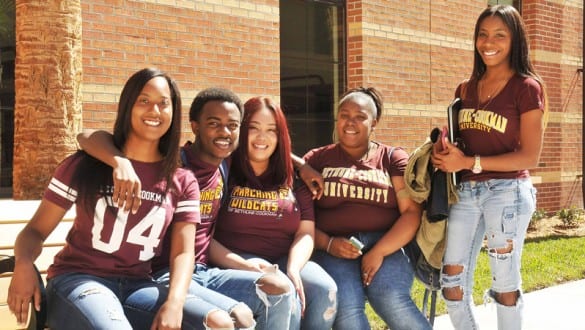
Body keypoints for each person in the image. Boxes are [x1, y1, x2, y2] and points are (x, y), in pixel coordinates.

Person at [76, 87, 323, 329]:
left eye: (232, 126)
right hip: (165, 273)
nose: (224, 133)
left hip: (207, 270)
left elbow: (267, 146)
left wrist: (302, 165)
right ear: (195, 126)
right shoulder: (172, 163)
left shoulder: (223, 164)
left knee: (280, 290)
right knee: (237, 317)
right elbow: (86, 136)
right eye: (214, 124)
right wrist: (120, 163)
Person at [7, 68, 205, 329]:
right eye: (143, 101)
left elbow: (183, 252)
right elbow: (35, 230)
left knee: (214, 322)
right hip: (77, 281)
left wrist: (175, 303)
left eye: (163, 103)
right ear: (127, 106)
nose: (154, 111)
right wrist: (23, 262)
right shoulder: (86, 165)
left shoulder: (182, 180)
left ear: (173, 111)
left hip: (138, 286)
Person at [431, 5, 546, 330]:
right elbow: (462, 144)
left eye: (499, 35)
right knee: (451, 284)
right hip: (465, 193)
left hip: (507, 193)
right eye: (482, 34)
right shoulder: (465, 89)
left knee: (504, 285)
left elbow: (529, 157)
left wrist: (469, 162)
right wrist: (446, 150)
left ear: (515, 40)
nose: (488, 42)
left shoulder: (526, 88)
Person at [303, 87, 432, 330]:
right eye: (344, 115)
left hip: (386, 244)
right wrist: (328, 243)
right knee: (347, 307)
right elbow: (300, 219)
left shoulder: (392, 158)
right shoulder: (316, 159)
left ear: (374, 122)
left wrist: (379, 252)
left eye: (360, 116)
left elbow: (411, 213)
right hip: (332, 248)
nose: (350, 122)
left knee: (391, 297)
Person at [212, 96, 338, 330]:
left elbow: (306, 232)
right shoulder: (223, 170)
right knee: (282, 289)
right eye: (254, 128)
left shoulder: (294, 178)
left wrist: (293, 267)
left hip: (284, 258)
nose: (262, 138)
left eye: (271, 130)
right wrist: (244, 265)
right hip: (234, 259)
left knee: (324, 289)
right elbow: (204, 236)